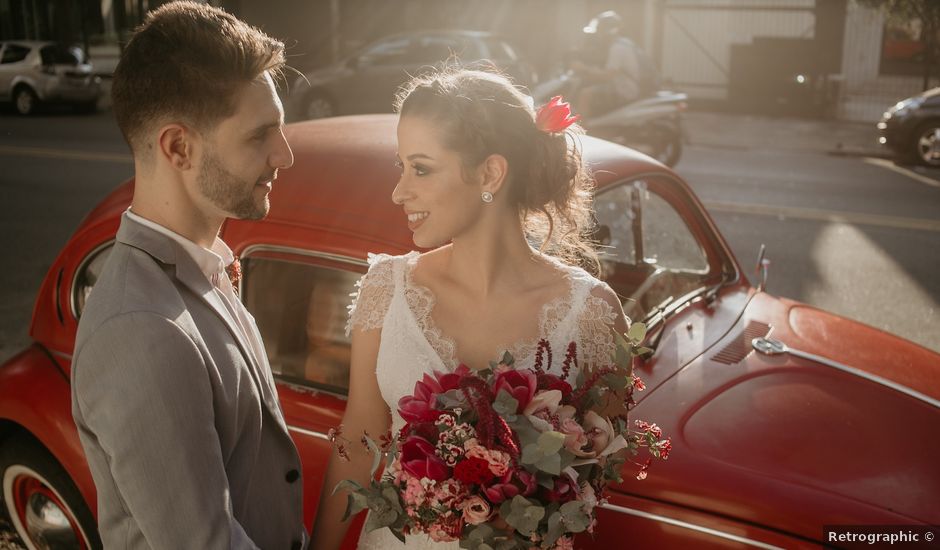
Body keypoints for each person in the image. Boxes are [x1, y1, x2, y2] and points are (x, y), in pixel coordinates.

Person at [310, 68, 630, 549]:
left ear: (490, 173)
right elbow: (358, 441)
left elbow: (598, 471)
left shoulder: (591, 313)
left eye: (420, 168)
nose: (399, 191)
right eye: (401, 166)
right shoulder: (386, 287)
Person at [70, 2, 306, 548]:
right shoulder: (142, 329)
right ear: (178, 147)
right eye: (259, 135)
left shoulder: (204, 265)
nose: (285, 155)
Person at [572, 10, 645, 117]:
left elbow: (607, 76)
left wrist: (584, 69)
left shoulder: (617, 48)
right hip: (626, 87)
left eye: (599, 31)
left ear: (608, 31)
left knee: (585, 94)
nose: (597, 35)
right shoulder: (624, 43)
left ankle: (582, 129)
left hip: (624, 90)